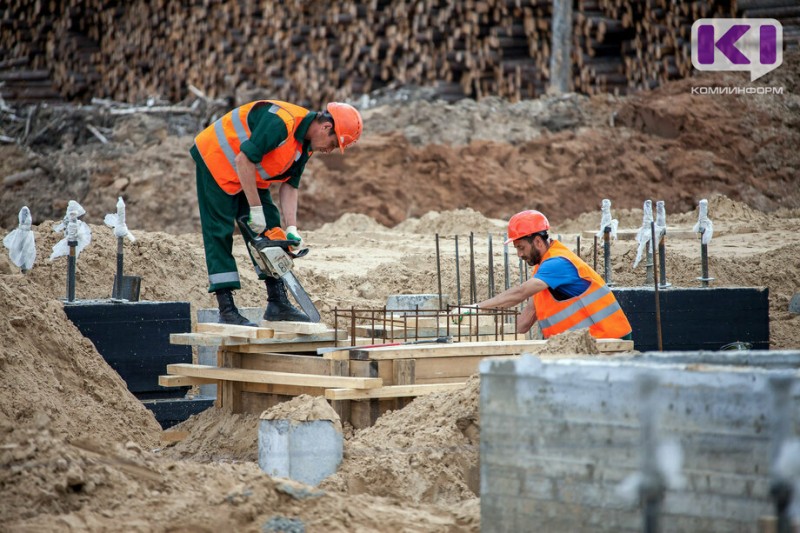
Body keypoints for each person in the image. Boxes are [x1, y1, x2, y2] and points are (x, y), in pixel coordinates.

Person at [191, 100, 363, 326]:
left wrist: (291, 228)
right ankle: (227, 309)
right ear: (326, 128)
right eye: (332, 144)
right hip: (216, 159)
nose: (329, 150)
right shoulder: (281, 123)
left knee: (272, 231)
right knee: (219, 232)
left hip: (249, 173)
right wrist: (254, 209)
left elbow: (290, 186)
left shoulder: (305, 146)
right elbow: (243, 159)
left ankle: (277, 302)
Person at [466, 209, 632, 340]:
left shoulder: (558, 263)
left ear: (538, 241)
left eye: (521, 247)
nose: (519, 254)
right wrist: (497, 341)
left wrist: (478, 307)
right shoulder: (542, 270)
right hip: (586, 346)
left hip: (608, 341)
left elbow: (520, 293)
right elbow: (528, 317)